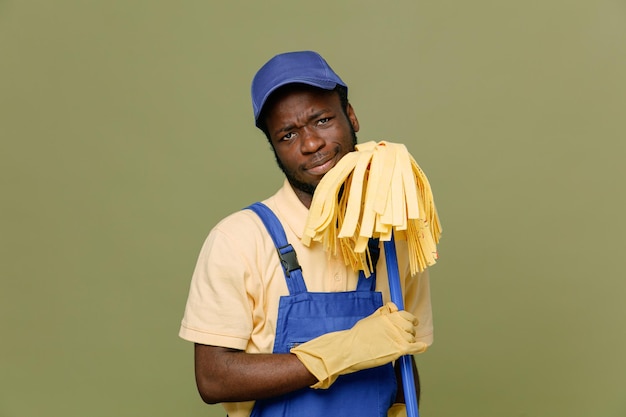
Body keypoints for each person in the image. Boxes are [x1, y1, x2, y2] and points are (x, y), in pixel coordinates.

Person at [179, 50, 434, 417]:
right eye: (288, 134)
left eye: (322, 119)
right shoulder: (238, 241)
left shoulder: (395, 237)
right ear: (274, 148)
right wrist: (344, 350)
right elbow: (214, 379)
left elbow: (402, 364)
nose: (311, 143)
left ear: (351, 116)